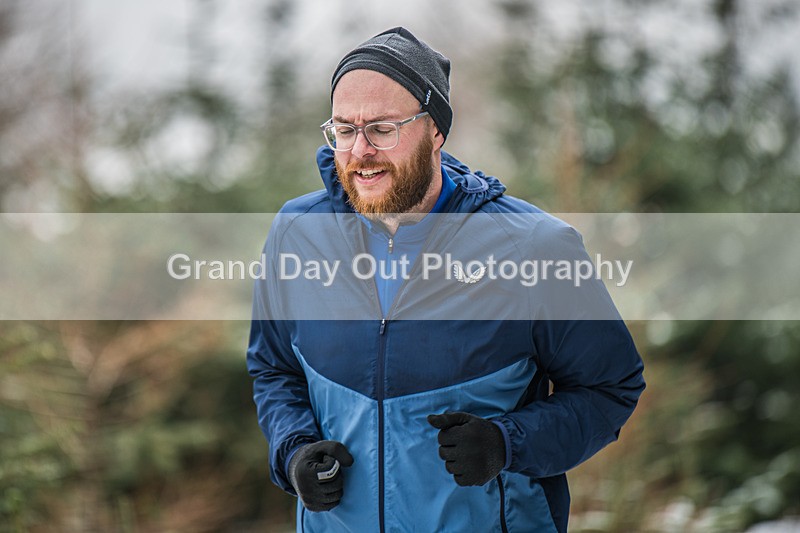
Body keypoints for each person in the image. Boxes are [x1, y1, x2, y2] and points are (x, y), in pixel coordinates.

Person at [247, 27, 645, 532]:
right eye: (344, 130)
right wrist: (294, 450)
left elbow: (610, 386)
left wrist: (509, 442)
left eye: (383, 129)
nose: (360, 151)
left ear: (436, 130)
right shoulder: (298, 233)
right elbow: (273, 368)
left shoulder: (534, 248)